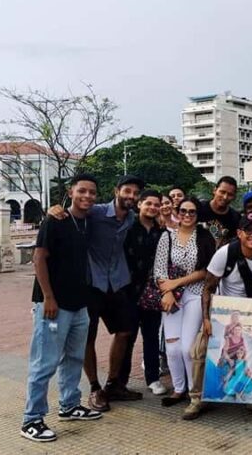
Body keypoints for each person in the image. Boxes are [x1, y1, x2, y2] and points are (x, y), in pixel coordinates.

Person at [49, 175, 146, 411]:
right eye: (127, 191)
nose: (131, 196)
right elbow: (72, 213)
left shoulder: (132, 217)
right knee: (87, 337)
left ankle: (113, 383)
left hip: (118, 281)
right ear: (117, 191)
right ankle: (94, 388)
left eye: (135, 193)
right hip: (92, 282)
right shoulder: (97, 212)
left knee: (125, 331)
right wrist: (53, 210)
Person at [21, 174, 103, 443]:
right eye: (82, 191)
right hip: (53, 304)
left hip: (80, 304)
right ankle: (32, 419)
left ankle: (69, 404)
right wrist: (48, 298)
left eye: (92, 192)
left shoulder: (88, 221)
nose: (87, 196)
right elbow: (39, 258)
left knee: (74, 358)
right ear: (71, 191)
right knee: (44, 362)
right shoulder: (54, 221)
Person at [194, 213, 252, 419]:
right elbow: (208, 288)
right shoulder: (224, 254)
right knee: (202, 350)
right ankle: (198, 398)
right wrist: (207, 320)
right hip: (227, 312)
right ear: (239, 233)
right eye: (248, 231)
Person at [155, 198, 215, 413]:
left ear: (198, 215)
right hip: (170, 296)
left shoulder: (204, 237)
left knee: (188, 347)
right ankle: (178, 388)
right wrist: (168, 291)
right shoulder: (166, 237)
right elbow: (159, 269)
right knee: (172, 348)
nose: (187, 215)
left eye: (192, 212)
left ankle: (194, 392)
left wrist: (176, 284)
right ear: (177, 212)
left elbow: (206, 270)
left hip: (195, 295)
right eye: (183, 211)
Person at [118, 190, 167, 397]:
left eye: (156, 205)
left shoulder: (161, 233)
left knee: (151, 337)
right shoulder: (128, 228)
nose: (152, 208)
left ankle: (153, 379)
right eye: (148, 203)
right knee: (126, 337)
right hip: (128, 291)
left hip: (151, 293)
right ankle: (120, 381)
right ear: (139, 205)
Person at [198, 176, 241, 248]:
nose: (225, 197)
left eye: (230, 194)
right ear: (215, 190)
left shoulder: (235, 218)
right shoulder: (199, 208)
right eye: (222, 192)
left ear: (234, 197)